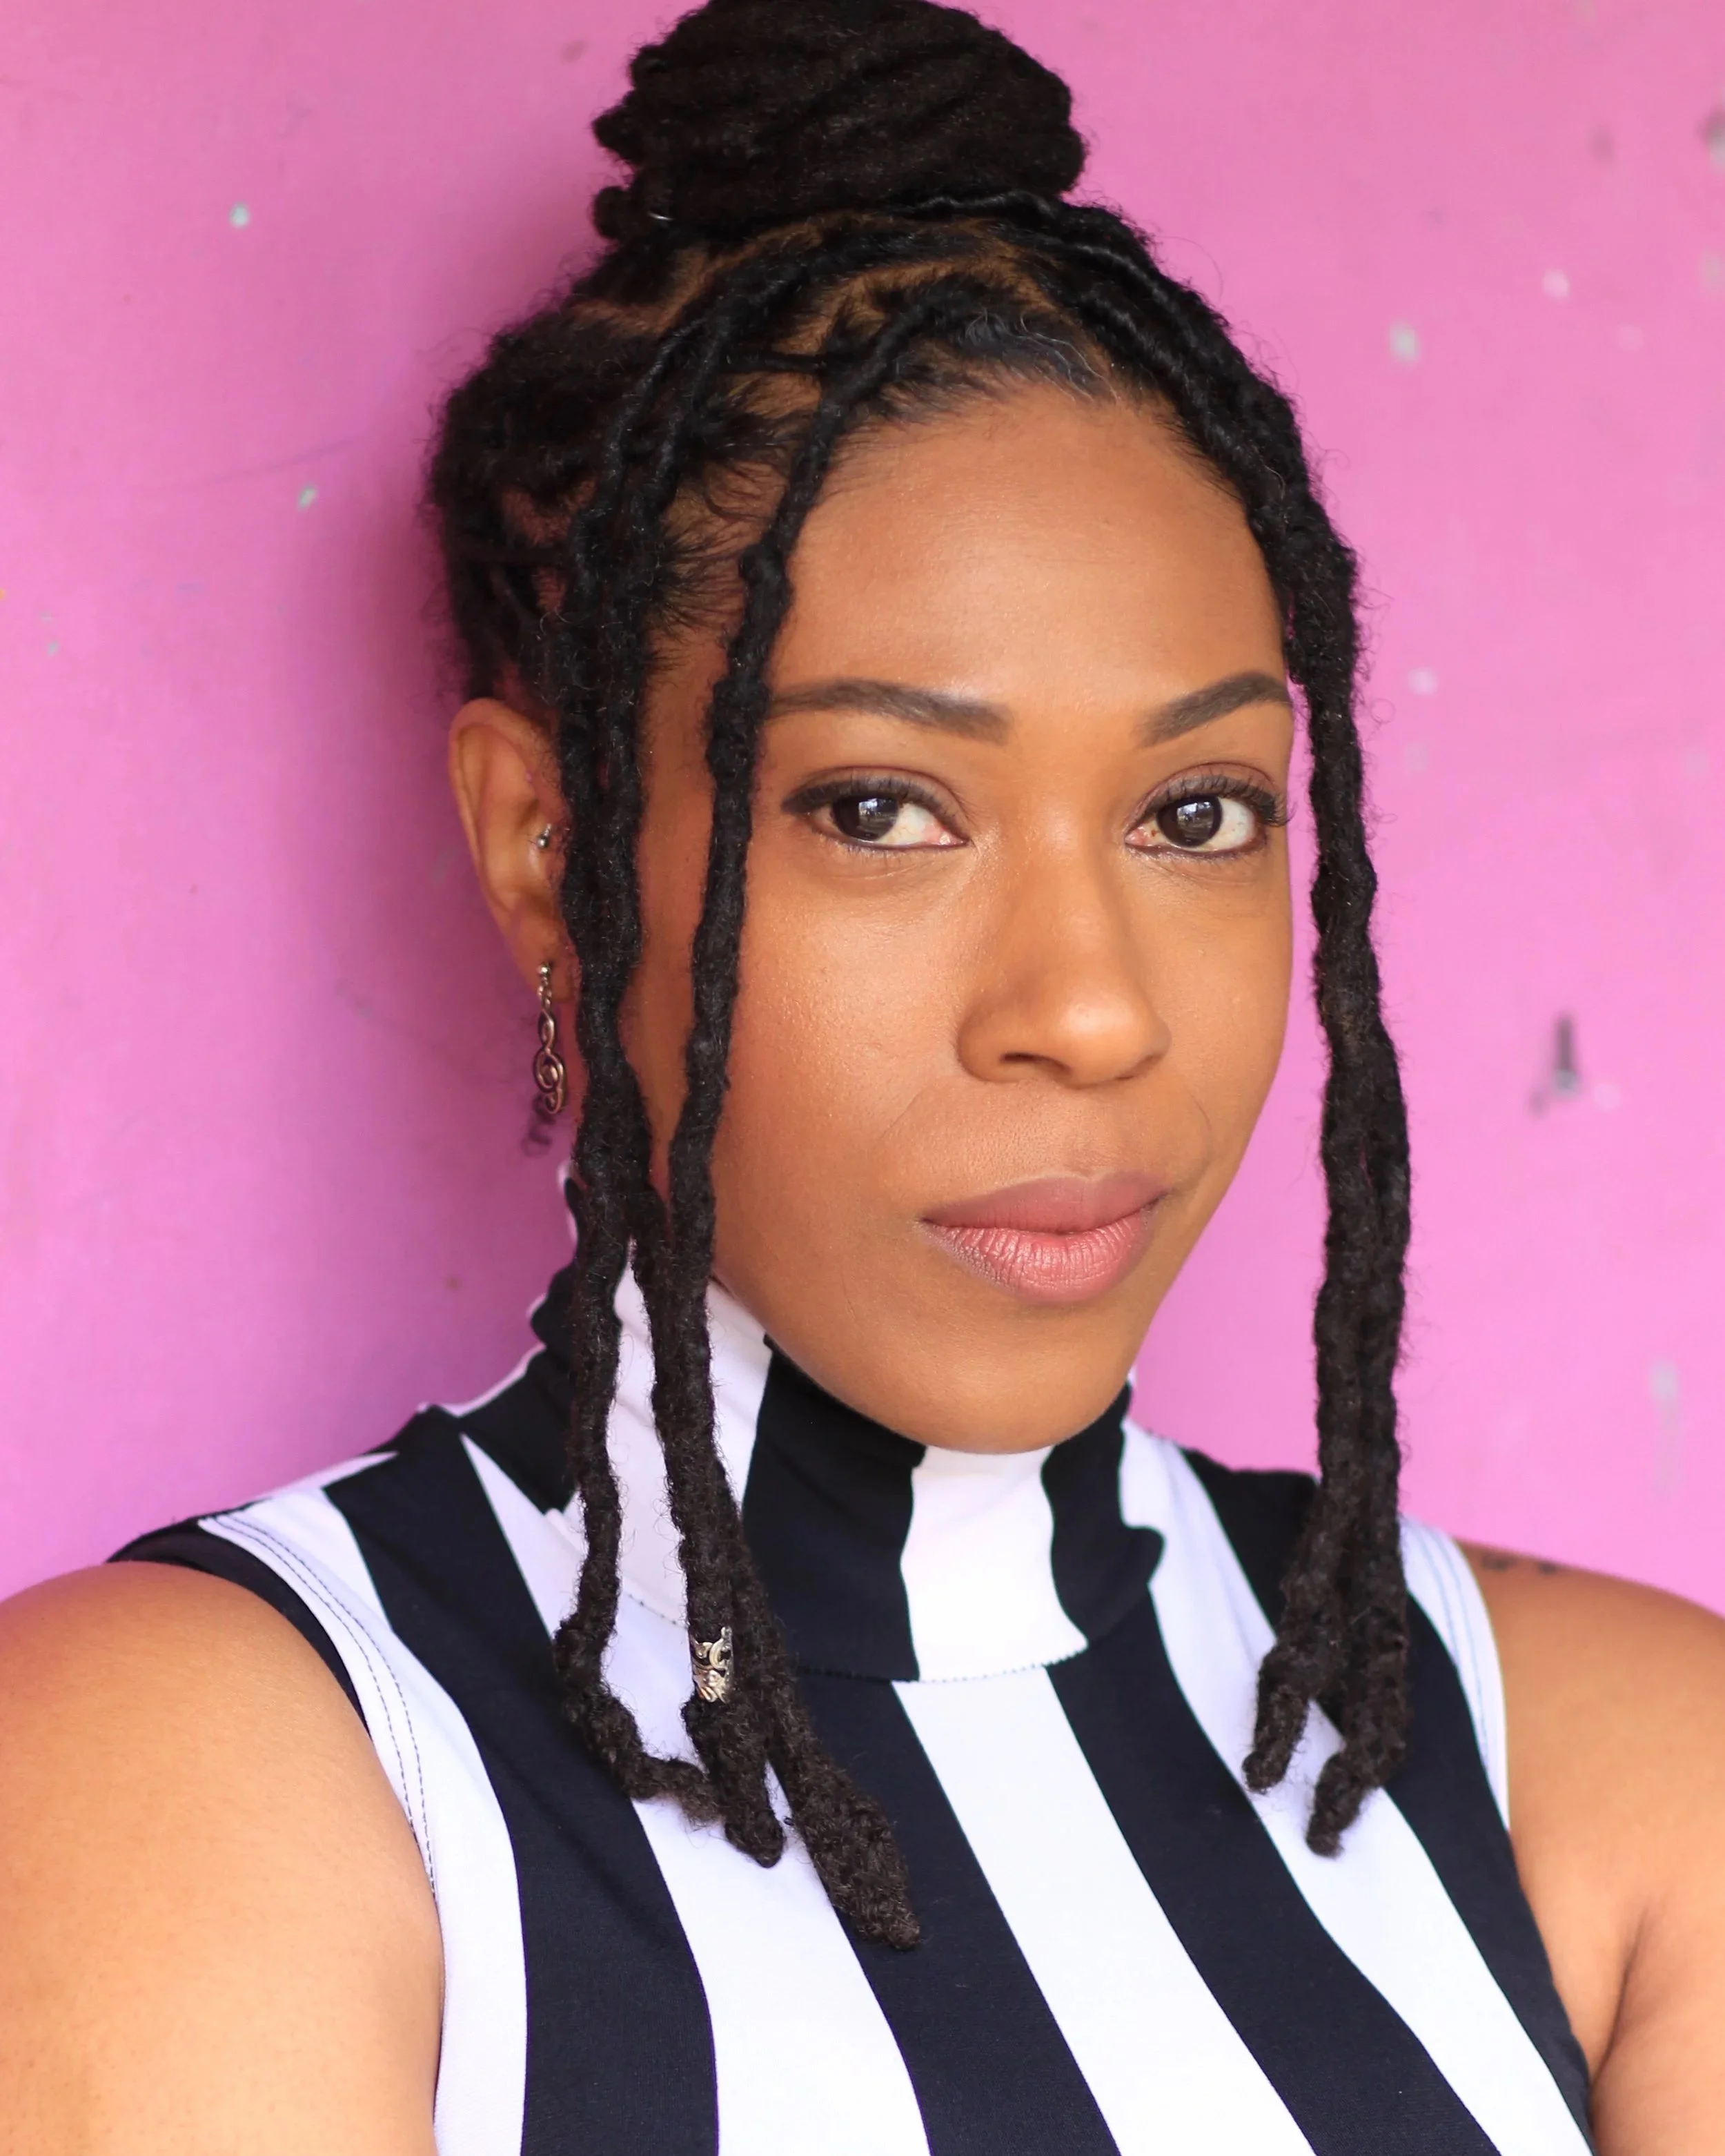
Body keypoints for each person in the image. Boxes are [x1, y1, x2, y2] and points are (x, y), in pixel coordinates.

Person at [3, 1, 1724, 2148]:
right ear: (547, 847)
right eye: (882, 807)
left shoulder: (1622, 1780)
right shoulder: (219, 1769)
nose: (1087, 1010)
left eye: (1193, 811)